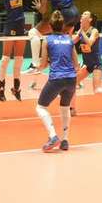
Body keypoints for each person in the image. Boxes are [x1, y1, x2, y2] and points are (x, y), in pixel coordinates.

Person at [35, 10, 79, 152]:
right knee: (65, 108)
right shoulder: (69, 40)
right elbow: (76, 64)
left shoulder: (47, 40)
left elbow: (42, 65)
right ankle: (65, 139)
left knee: (41, 107)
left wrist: (37, 67)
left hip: (56, 79)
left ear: (50, 26)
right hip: (71, 79)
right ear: (62, 26)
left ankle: (53, 136)